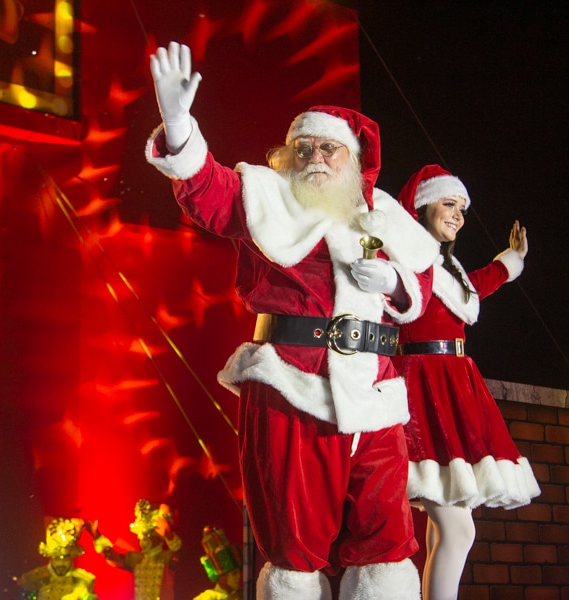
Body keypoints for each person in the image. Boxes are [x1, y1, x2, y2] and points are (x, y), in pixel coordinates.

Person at [145, 42, 438, 599]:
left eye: (330, 148)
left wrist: (396, 283)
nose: (317, 158)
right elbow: (207, 193)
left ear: (353, 160)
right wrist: (180, 125)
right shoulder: (264, 195)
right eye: (304, 148)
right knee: (295, 547)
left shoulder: (386, 216)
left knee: (387, 543)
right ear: (288, 155)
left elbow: (421, 281)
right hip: (292, 388)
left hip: (374, 395)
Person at [393, 165, 542, 600]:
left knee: (455, 529)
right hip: (423, 392)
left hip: (454, 391)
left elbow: (471, 290)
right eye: (448, 203)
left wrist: (511, 261)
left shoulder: (446, 265)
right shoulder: (404, 258)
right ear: (421, 206)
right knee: (457, 529)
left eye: (461, 208)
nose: (458, 215)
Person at [92, 499, 182, 600]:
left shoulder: (165, 557)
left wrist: (168, 535)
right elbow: (114, 559)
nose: (141, 539)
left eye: (146, 535)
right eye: (141, 535)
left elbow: (179, 553)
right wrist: (96, 535)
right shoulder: (137, 559)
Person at [18, 518, 98, 600]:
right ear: (51, 557)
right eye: (57, 558)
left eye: (65, 559)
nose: (61, 563)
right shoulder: (34, 580)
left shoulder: (83, 581)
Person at [193, 526, 242, 600]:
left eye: (239, 572)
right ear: (223, 577)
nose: (239, 576)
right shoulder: (207, 597)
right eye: (234, 573)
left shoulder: (242, 594)